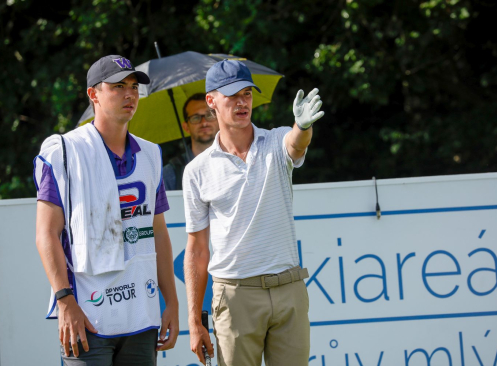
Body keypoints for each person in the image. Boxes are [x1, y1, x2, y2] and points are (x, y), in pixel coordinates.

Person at [34, 55, 179, 366]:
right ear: (93, 94)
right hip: (87, 315)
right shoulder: (64, 151)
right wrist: (64, 301)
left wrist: (172, 303)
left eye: (133, 87)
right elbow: (46, 233)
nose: (129, 94)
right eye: (118, 87)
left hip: (141, 314)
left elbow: (158, 234)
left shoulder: (151, 154)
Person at [182, 59, 324, 366]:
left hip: (288, 290)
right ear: (211, 101)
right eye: (232, 95)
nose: (242, 101)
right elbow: (196, 250)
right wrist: (195, 321)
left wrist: (302, 126)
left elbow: (296, 145)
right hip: (234, 298)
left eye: (246, 93)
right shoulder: (197, 171)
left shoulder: (275, 140)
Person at [163, 93, 220, 191]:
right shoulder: (171, 173)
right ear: (186, 127)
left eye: (209, 115)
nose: (204, 123)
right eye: (195, 117)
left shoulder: (236, 161)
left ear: (219, 120)